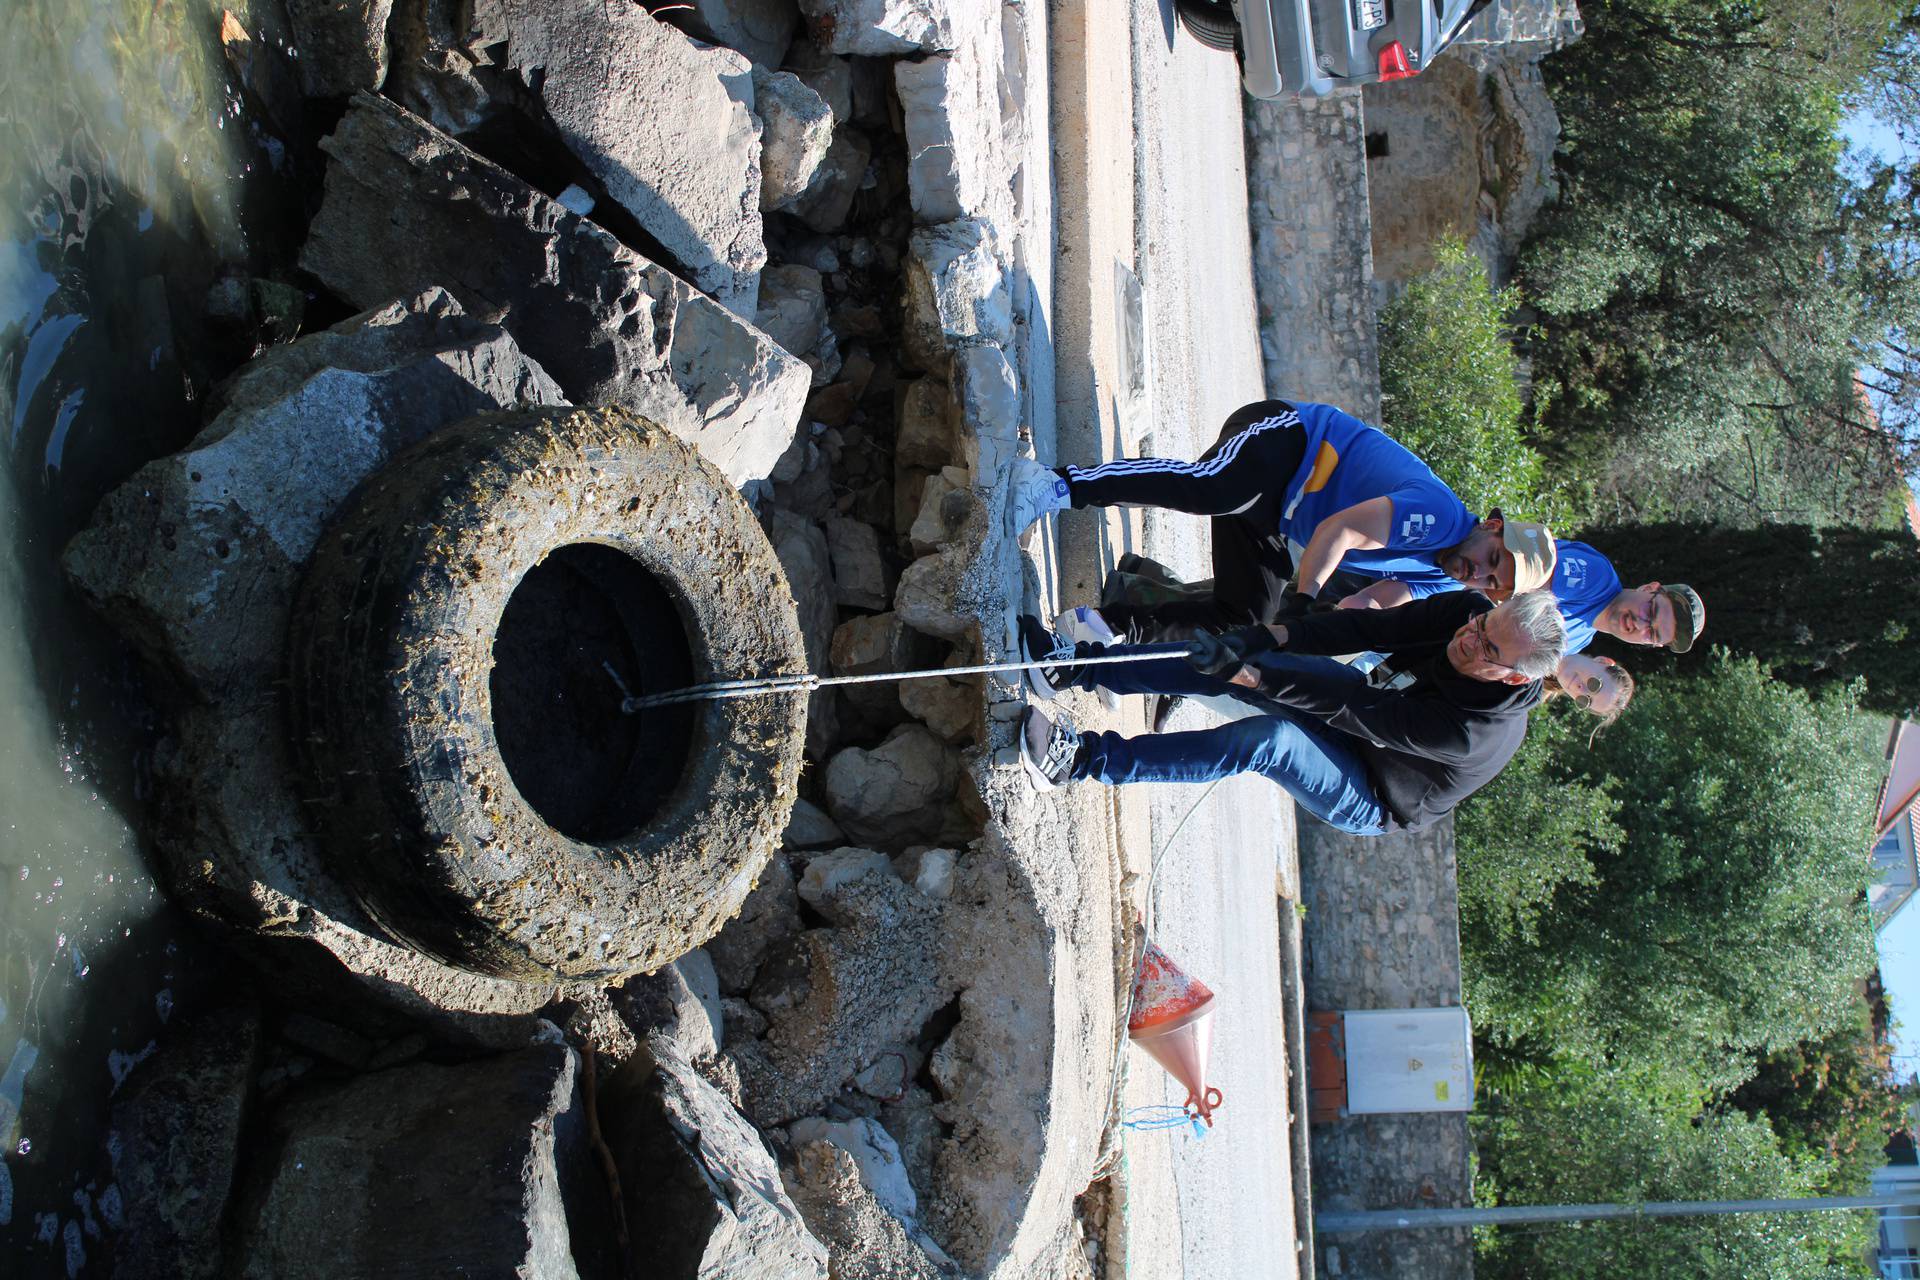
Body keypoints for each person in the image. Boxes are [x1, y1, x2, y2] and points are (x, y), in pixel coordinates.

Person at [1015, 590, 1568, 835]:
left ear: (1518, 676)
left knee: (1270, 741)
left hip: (1372, 790)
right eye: (1482, 625)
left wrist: (1246, 672)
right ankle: (1074, 667)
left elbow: (1357, 709)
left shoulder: (1476, 732)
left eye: (1488, 650)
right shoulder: (1467, 614)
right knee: (1244, 656)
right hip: (1364, 707)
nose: (1469, 639)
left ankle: (1079, 760)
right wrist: (1262, 638)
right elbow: (1365, 629)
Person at [1005, 399, 1558, 642]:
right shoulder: (1438, 518)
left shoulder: (1441, 574)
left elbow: (1377, 600)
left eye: (1492, 584)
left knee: (1245, 614)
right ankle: (1058, 484)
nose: (1480, 575)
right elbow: (1336, 533)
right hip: (1286, 440)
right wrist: (1304, 596)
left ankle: (1106, 627)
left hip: (1277, 513)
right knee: (1212, 488)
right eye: (1493, 560)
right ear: (1490, 525)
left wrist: (1334, 625)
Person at [1342, 537, 1706, 656]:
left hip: (1449, 621)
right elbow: (1510, 583)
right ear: (1649, 589)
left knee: (1356, 623)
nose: (1641, 623)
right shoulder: (1597, 578)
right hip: (1454, 576)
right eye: (1651, 610)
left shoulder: (1578, 641)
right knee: (1354, 593)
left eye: (1652, 632)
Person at [1546, 653, 1634, 732]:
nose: (1581, 690)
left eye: (1584, 701)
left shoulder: (1534, 689)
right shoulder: (1567, 636)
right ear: (1603, 662)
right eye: (1594, 685)